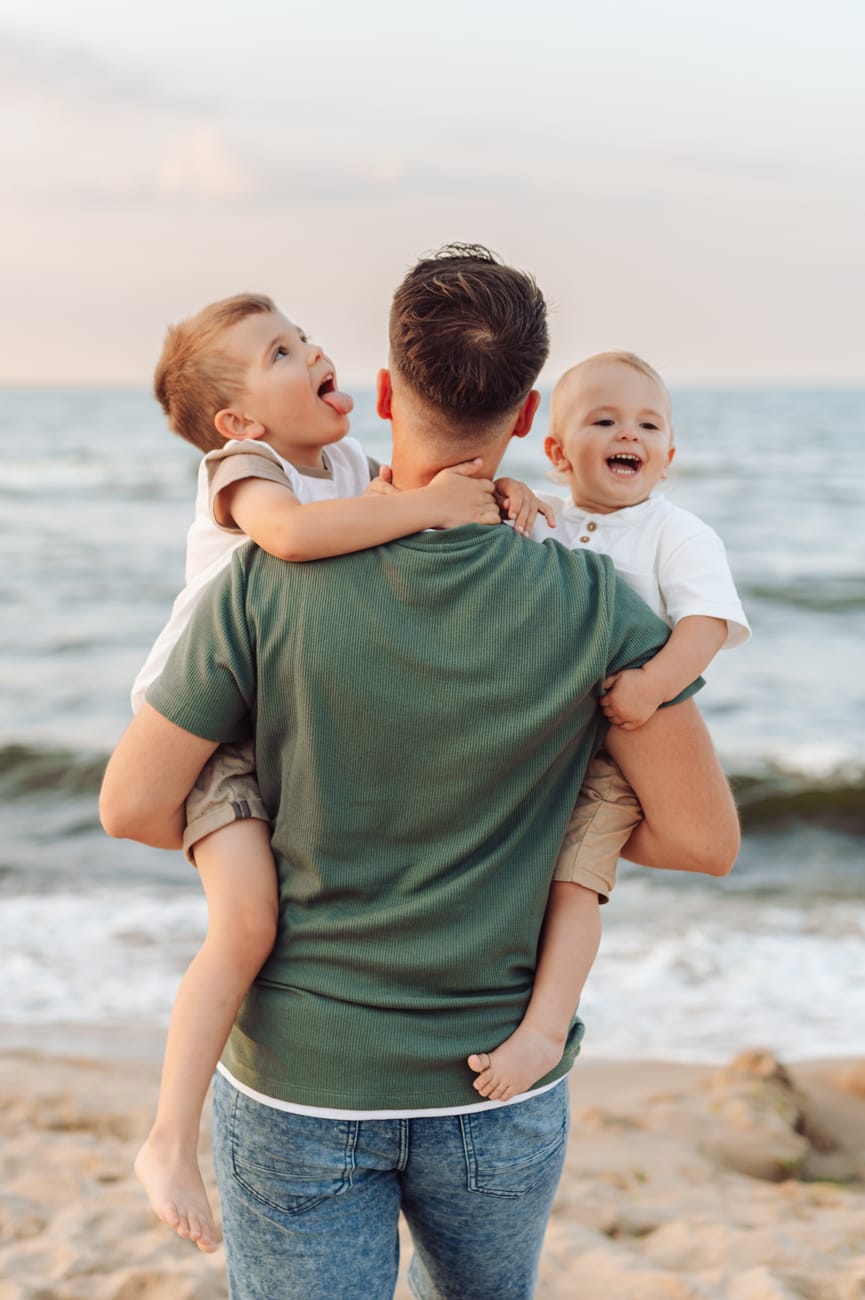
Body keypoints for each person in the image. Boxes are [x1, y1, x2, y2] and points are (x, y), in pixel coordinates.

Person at [100, 244, 739, 1300]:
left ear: (388, 391)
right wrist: (531, 826)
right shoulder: (593, 606)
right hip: (496, 1077)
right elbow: (702, 840)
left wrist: (284, 823)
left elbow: (131, 806)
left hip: (302, 1080)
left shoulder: (264, 582)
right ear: (531, 414)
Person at [129, 291, 541, 1253]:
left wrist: (504, 497)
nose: (314, 351)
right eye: (281, 352)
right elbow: (296, 541)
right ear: (237, 419)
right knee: (247, 924)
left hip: (276, 725)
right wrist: (434, 502)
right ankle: (166, 1138)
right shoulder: (248, 470)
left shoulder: (348, 465)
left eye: (305, 337)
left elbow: (408, 512)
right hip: (208, 730)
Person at [467, 350, 750, 1102]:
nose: (629, 433)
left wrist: (653, 685)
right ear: (557, 451)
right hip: (540, 743)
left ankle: (544, 1030)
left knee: (573, 884)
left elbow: (706, 624)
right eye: (604, 420)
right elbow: (503, 556)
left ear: (666, 456)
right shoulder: (549, 522)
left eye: (647, 424)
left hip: (614, 755)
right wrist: (508, 490)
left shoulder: (674, 533)